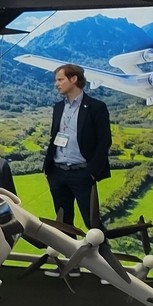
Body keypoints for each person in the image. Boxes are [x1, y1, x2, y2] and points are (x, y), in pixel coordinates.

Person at [41, 62, 112, 229]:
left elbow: (104, 141)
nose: (56, 84)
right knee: (63, 224)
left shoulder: (96, 107)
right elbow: (54, 138)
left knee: (93, 224)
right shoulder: (58, 107)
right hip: (57, 173)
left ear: (73, 79)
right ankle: (68, 248)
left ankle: (101, 247)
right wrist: (48, 170)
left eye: (60, 80)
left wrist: (91, 173)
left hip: (82, 173)